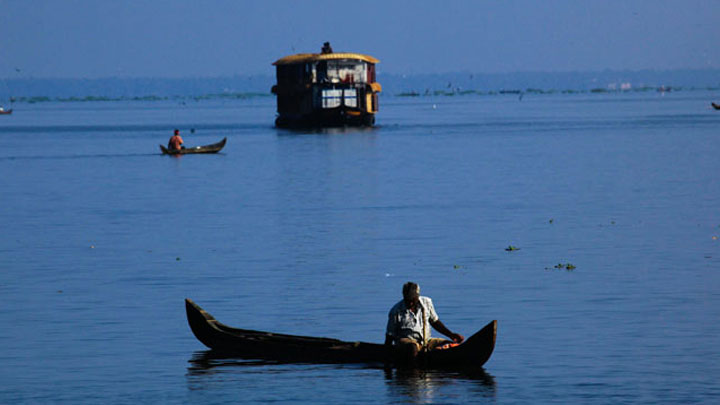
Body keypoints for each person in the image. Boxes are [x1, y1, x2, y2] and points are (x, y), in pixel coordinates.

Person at [385, 282, 465, 358]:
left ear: (417, 296)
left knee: (449, 345)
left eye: (413, 300)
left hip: (426, 341)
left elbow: (435, 322)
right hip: (406, 342)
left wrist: (451, 335)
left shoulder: (427, 303)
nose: (410, 304)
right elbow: (390, 334)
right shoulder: (396, 311)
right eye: (408, 300)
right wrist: (387, 353)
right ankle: (414, 370)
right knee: (412, 348)